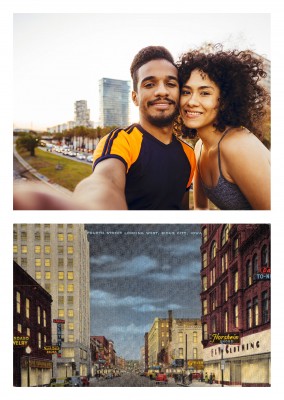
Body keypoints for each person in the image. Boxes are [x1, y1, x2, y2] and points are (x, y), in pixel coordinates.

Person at [14, 46, 196, 210]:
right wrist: (91, 209)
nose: (162, 91)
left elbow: (180, 207)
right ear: (135, 97)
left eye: (171, 83)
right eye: (149, 84)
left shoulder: (189, 154)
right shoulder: (120, 141)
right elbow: (104, 181)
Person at [176, 45, 271, 210]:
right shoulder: (199, 148)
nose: (191, 101)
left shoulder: (239, 145)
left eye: (205, 93)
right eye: (186, 92)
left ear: (224, 100)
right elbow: (201, 210)